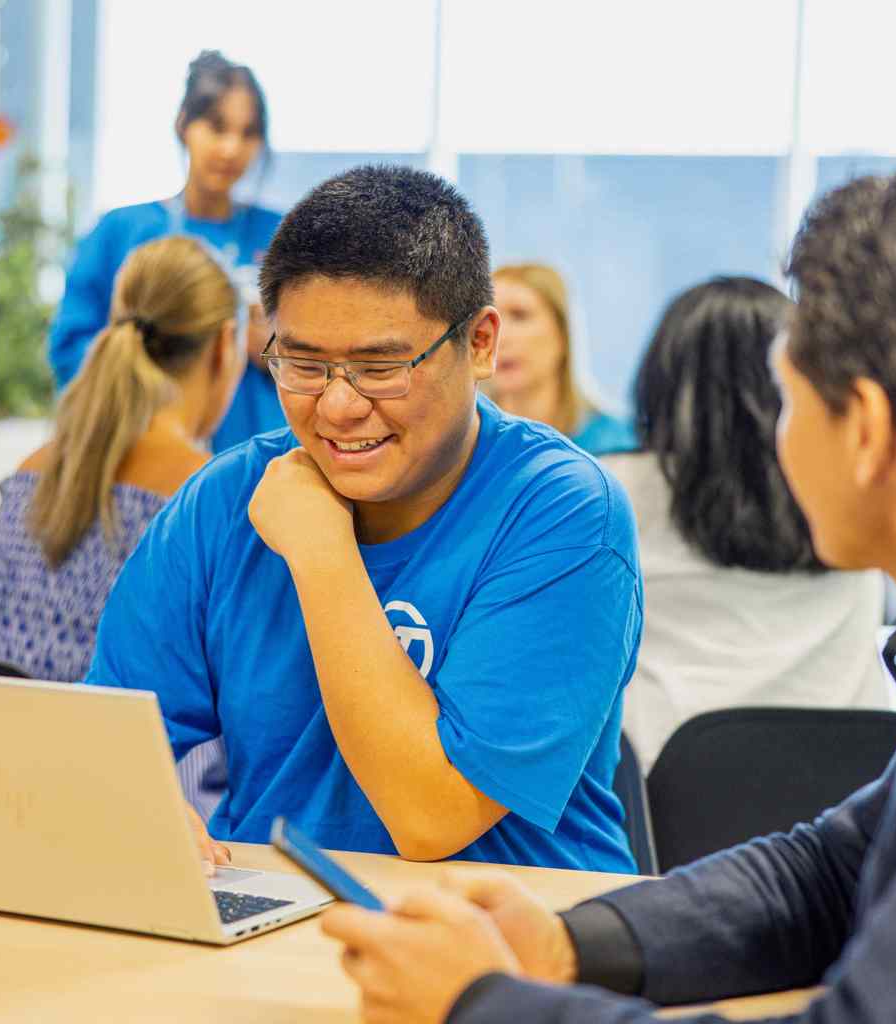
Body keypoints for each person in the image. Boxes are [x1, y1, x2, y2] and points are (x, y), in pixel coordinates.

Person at [319, 164, 896, 1023]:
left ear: (867, 429)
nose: (777, 439)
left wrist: (480, 1003)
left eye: (787, 400)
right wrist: (565, 943)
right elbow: (835, 873)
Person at [86, 165, 642, 873]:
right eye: (302, 363)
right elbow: (108, 742)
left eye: (380, 368)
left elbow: (430, 815)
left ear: (478, 344)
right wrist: (145, 807)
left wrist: (321, 553)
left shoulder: (563, 512)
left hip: (510, 935)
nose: (338, 406)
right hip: (276, 919)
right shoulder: (225, 499)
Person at [607, 276, 892, 773]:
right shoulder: (862, 491)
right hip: (851, 794)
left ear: (662, 385)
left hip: (666, 809)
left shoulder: (608, 494)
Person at [0, 235, 242, 683]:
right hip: (145, 753)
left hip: (4, 746)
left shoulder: (29, 475)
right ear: (225, 345)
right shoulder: (213, 498)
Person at [48, 49, 286, 453]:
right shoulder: (121, 232)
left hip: (262, 463)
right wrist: (162, 347)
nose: (231, 148)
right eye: (216, 126)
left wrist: (278, 350)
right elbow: (70, 352)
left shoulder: (282, 235)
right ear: (183, 125)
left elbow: (335, 356)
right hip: (145, 458)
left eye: (248, 133)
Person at [489, 263, 635, 454]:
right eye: (489, 319)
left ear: (562, 334)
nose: (499, 336)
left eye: (519, 316)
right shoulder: (459, 449)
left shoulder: (619, 445)